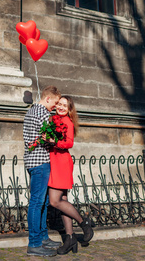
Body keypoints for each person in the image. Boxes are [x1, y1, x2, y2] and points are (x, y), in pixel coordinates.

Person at [47, 96, 94, 255]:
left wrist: (54, 141)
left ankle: (83, 222)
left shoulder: (66, 121)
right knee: (63, 201)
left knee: (54, 201)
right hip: (55, 161)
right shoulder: (53, 119)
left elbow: (69, 142)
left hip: (61, 162)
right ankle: (70, 238)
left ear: (69, 109)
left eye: (64, 105)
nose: (60, 107)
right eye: (59, 104)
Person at [23, 85, 62, 257]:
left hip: (32, 161)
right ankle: (34, 243)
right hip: (40, 162)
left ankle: (42, 237)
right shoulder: (44, 113)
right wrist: (56, 139)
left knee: (43, 202)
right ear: (47, 99)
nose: (54, 107)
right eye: (54, 104)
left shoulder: (30, 111)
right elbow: (49, 139)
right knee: (37, 203)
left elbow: (30, 139)